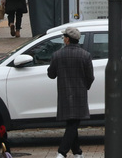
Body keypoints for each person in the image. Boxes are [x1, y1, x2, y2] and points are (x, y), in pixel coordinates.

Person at [47, 26, 95, 158]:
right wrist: (84, 87)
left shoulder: (57, 55)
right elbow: (90, 77)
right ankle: (76, 153)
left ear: (67, 39)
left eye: (64, 37)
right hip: (80, 94)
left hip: (64, 94)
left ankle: (62, 152)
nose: (63, 39)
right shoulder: (85, 55)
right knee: (73, 124)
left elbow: (51, 74)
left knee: (71, 123)